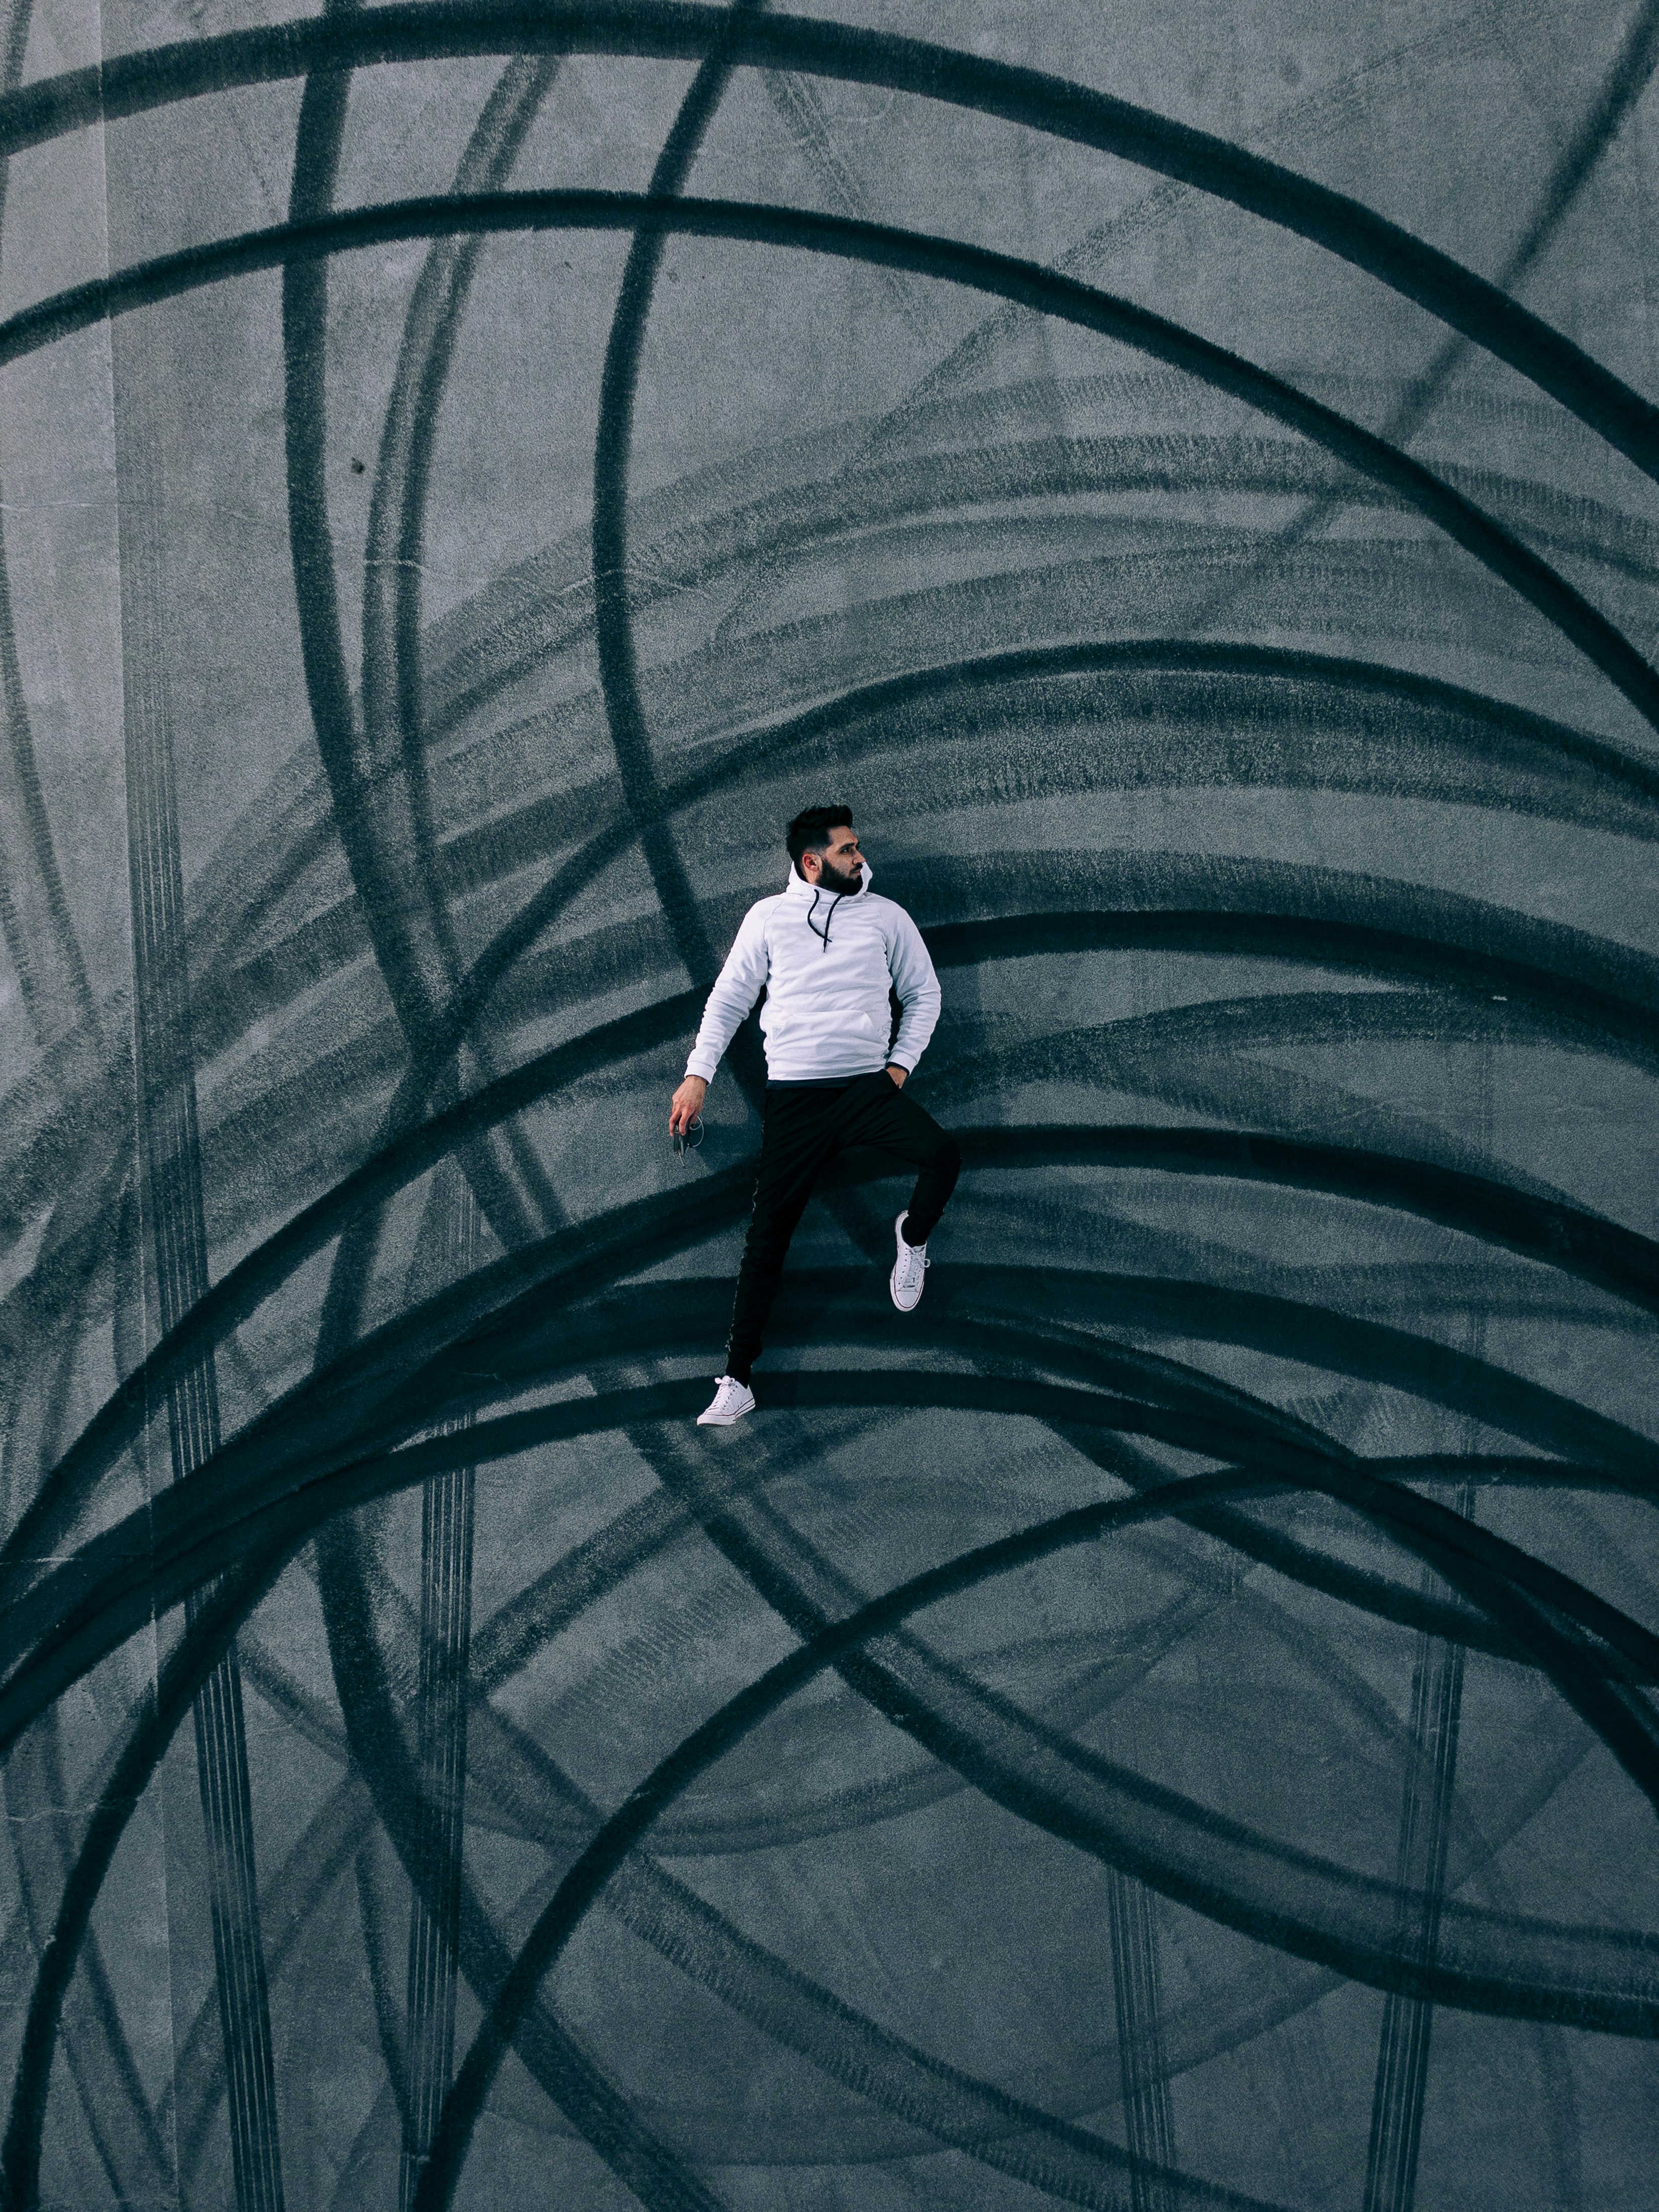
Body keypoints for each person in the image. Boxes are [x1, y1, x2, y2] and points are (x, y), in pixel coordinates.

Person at [669, 807, 961, 1425]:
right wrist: (698, 1076)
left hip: (865, 1089)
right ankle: (738, 1379)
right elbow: (728, 1001)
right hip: (795, 1100)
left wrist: (899, 1066)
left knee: (944, 1155)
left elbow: (924, 992)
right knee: (767, 1239)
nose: (859, 858)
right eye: (847, 850)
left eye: (856, 848)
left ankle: (912, 1238)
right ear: (812, 861)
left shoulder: (885, 917)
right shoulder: (769, 919)